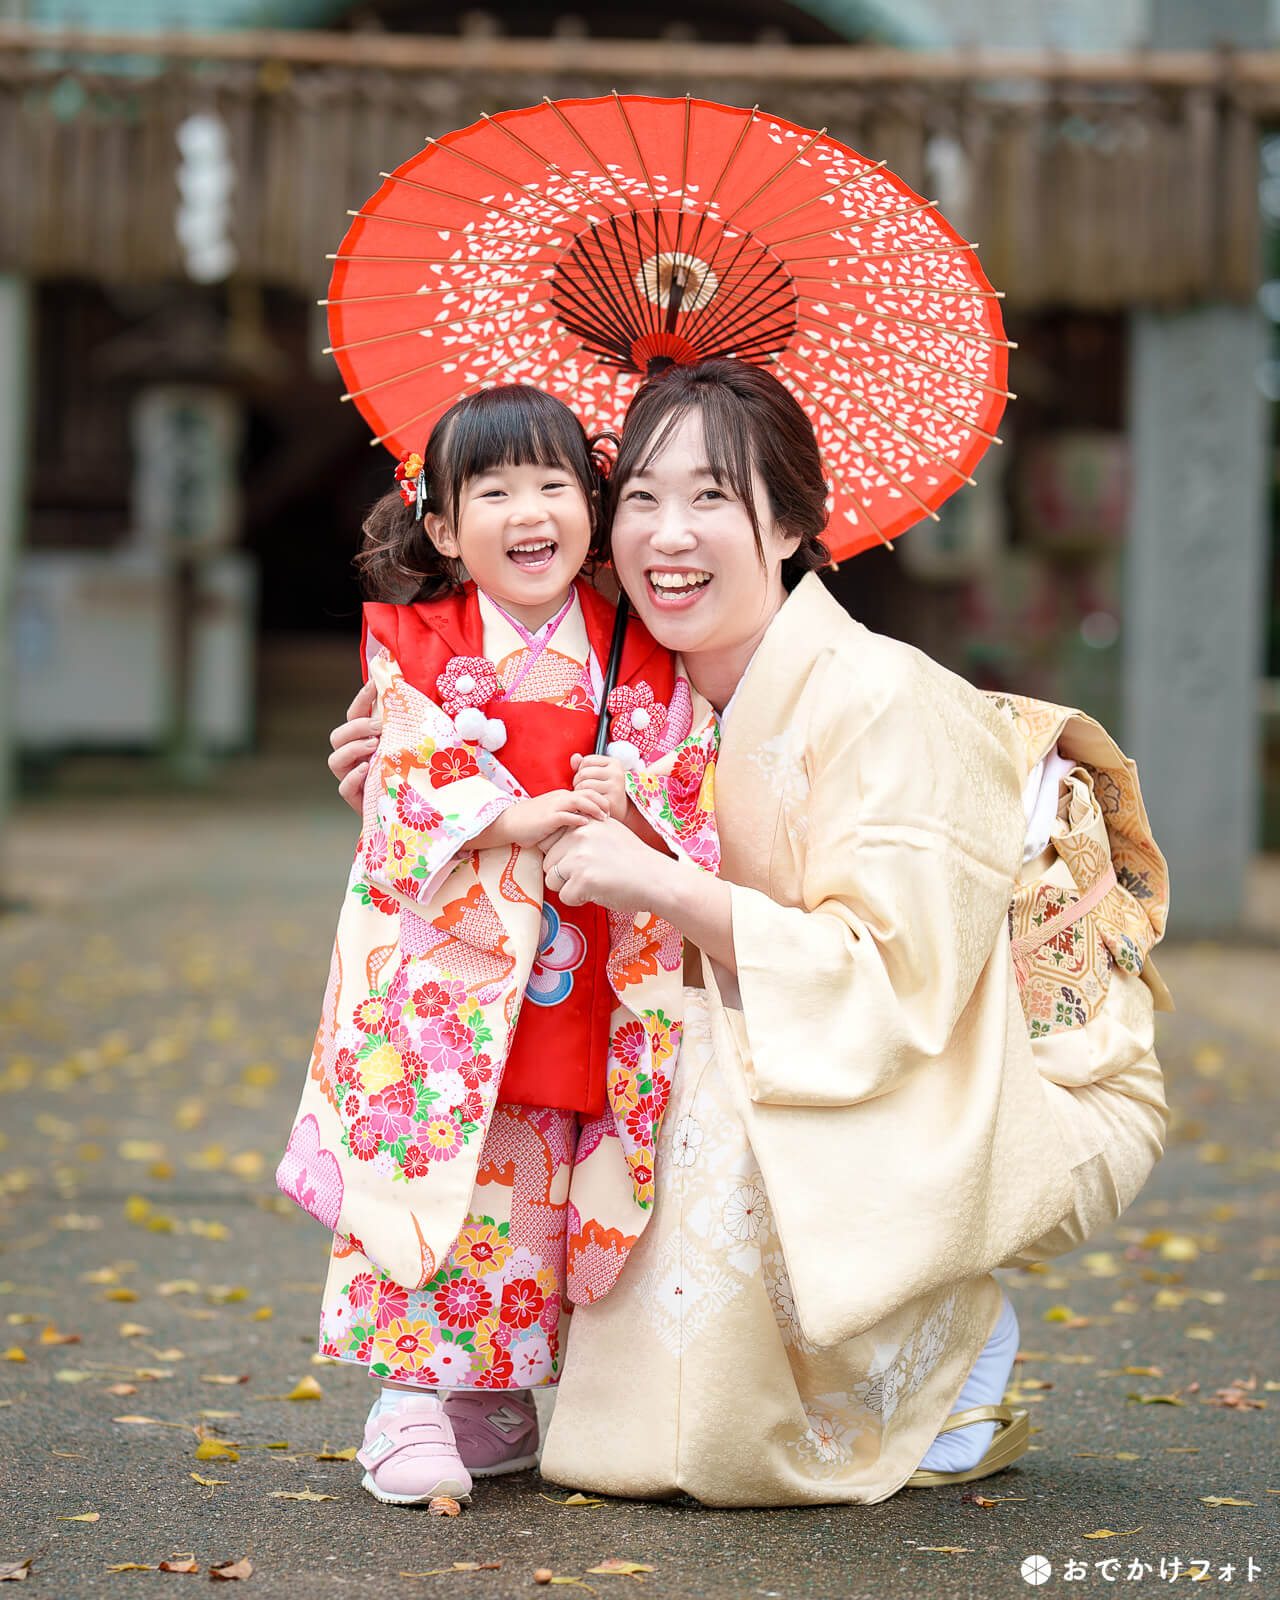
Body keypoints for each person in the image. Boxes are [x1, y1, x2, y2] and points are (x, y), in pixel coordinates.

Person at [328, 359, 1170, 1506]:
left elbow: (896, 982)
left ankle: (930, 1338)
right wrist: (423, 801)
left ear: (787, 524)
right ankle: (481, 1374)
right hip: (779, 1035)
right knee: (553, 1055)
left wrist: (656, 887)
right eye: (640, 498)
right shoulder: (642, 680)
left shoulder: (881, 695)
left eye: (711, 497)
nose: (668, 535)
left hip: (975, 1078)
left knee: (670, 1081)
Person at [278, 384, 718, 1508]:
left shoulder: (641, 645)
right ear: (440, 525)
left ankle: (494, 1395)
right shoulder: (417, 640)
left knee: (538, 1173)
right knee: (432, 1164)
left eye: (554, 483)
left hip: (581, 970)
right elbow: (403, 765)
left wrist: (642, 796)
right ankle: (405, 1402)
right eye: (494, 489)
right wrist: (504, 813)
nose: (530, 510)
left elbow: (693, 781)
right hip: (451, 977)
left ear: (593, 503)